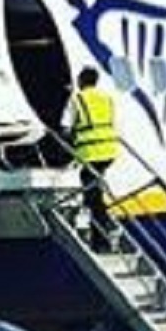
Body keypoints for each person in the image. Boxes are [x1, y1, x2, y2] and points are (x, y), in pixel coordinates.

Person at [66, 67, 120, 247]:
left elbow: (66, 125)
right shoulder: (107, 98)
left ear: (81, 80)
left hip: (91, 151)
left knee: (92, 194)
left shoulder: (78, 99)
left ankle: (104, 230)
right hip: (109, 150)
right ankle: (101, 234)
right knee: (94, 191)